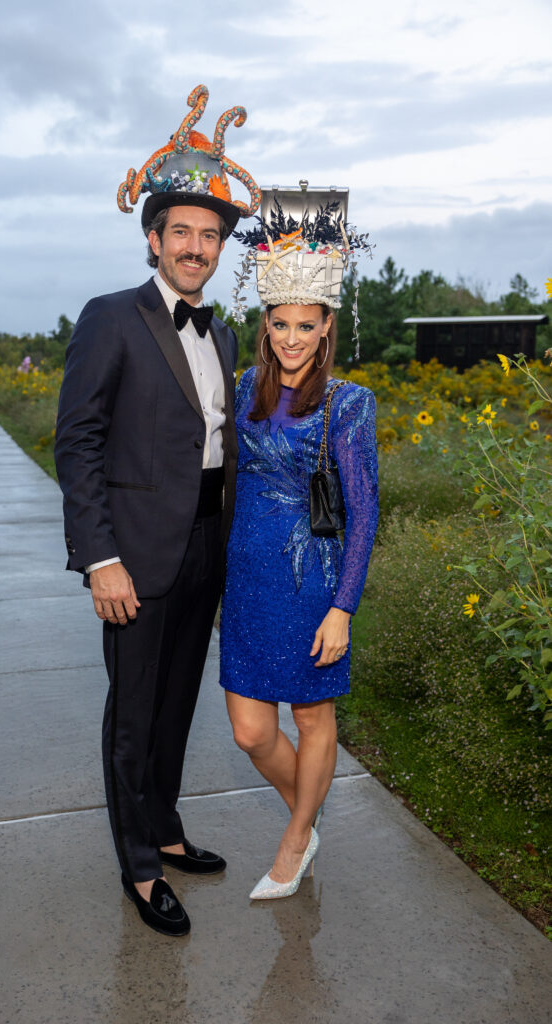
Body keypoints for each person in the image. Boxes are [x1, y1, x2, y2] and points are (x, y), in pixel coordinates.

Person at [54, 85, 261, 937]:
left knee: (178, 706)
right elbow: (79, 445)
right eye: (181, 231)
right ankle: (139, 869)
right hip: (135, 555)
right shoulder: (111, 319)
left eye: (209, 236)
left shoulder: (221, 334)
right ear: (153, 239)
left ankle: (165, 830)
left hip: (206, 546)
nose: (195, 247)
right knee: (132, 715)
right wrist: (99, 557)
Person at [220, 184, 378, 899]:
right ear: (266, 324)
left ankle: (292, 841)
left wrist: (342, 607)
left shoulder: (348, 403)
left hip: (311, 581)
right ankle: (307, 818)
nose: (290, 338)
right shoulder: (245, 384)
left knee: (312, 716)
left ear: (324, 327)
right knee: (250, 731)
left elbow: (364, 511)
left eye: (304, 326)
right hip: (246, 583)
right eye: (279, 324)